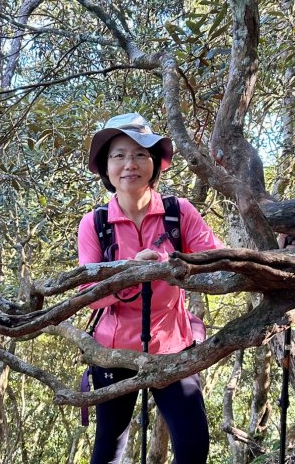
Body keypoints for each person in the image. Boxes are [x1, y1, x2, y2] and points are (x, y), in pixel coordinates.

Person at [78, 113, 223, 464]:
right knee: (108, 453)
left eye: (141, 154)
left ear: (155, 163)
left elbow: (217, 263)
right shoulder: (95, 223)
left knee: (192, 449)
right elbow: (88, 291)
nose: (130, 164)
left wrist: (165, 262)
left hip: (172, 346)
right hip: (113, 351)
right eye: (119, 155)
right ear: (106, 168)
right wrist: (131, 273)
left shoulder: (179, 212)